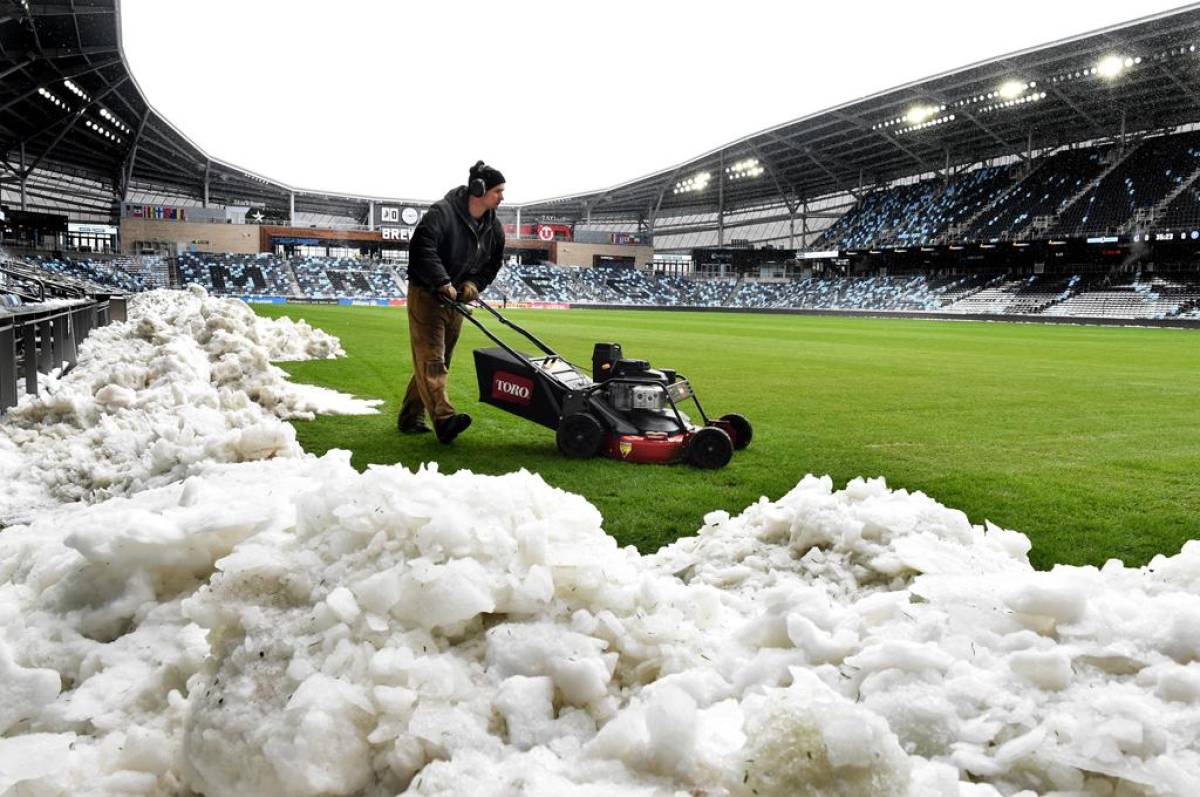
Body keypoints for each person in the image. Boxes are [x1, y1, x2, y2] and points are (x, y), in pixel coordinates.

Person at [397, 161, 506, 443]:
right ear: (478, 189)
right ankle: (444, 420)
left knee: (438, 359)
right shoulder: (441, 214)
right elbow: (422, 249)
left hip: (455, 297)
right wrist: (442, 281)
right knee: (432, 359)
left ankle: (410, 417)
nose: (502, 197)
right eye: (498, 191)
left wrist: (473, 284)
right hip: (427, 293)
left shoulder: (494, 228)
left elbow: (492, 264)